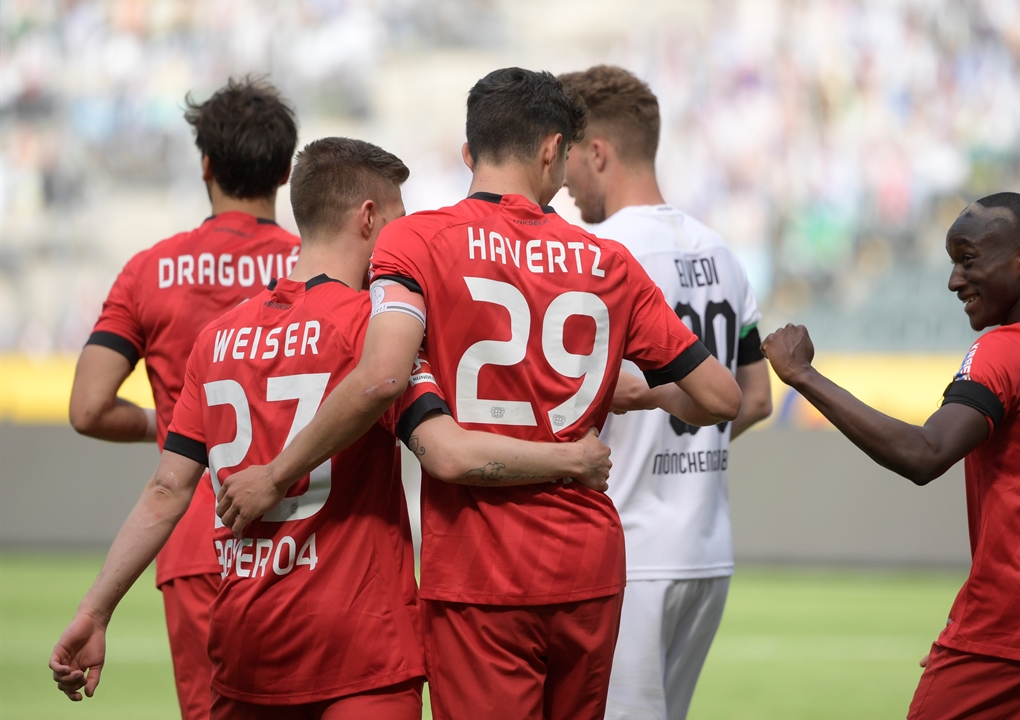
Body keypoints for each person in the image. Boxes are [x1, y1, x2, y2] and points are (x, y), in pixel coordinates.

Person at [213, 67, 743, 720]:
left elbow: (383, 377)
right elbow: (722, 397)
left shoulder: (416, 240)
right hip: (589, 564)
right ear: (554, 149)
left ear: (470, 152)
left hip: (481, 570)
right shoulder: (607, 262)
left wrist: (276, 474)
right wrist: (646, 396)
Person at [50, 137, 613, 719]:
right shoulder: (377, 335)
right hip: (360, 652)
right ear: (369, 218)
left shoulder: (217, 339)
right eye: (397, 218)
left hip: (247, 642)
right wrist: (572, 457)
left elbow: (166, 491)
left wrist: (95, 611)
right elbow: (446, 451)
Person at [763, 192, 1020, 719]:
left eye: (967, 260)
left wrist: (802, 376)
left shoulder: (1009, 348)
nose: (953, 280)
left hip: (1016, 630)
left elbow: (926, 454)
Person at [66, 76, 300, 720]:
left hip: (199, 538)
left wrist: (170, 428)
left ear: (205, 165)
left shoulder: (150, 269)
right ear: (284, 171)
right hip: (311, 533)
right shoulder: (320, 265)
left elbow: (88, 407)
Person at [558, 65, 773, 720]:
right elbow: (756, 396)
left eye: (567, 161)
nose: (563, 186)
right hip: (707, 545)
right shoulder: (723, 253)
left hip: (629, 546)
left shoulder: (594, 253)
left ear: (597, 152)